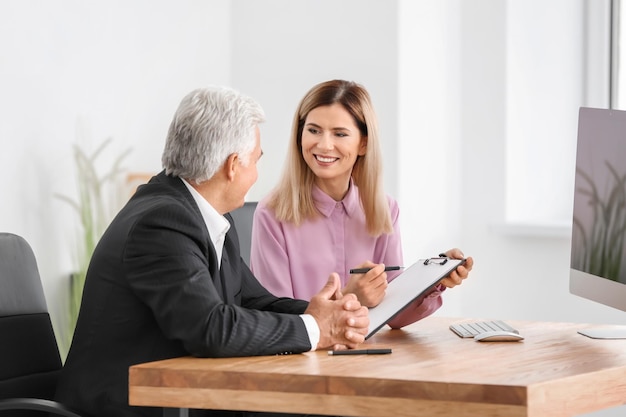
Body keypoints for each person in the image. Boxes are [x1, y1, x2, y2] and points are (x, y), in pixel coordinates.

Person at [54, 86, 369, 417]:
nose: (257, 175)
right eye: (256, 161)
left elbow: (252, 300)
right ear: (233, 165)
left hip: (179, 401)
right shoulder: (161, 222)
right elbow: (210, 329)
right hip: (124, 409)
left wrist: (330, 315)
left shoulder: (204, 212)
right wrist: (317, 329)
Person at [250, 79, 473, 329]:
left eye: (340, 133)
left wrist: (435, 281)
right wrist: (351, 298)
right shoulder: (272, 213)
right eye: (313, 130)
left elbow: (395, 316)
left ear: (364, 143)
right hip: (302, 362)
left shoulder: (385, 210)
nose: (323, 145)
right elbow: (274, 318)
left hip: (366, 360)